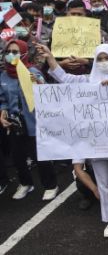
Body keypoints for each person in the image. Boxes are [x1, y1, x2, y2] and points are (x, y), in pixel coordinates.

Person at [43, 44, 108, 239]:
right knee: (104, 184)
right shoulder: (89, 81)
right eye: (100, 59)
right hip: (97, 142)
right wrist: (51, 58)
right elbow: (65, 79)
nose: (104, 63)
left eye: (107, 58)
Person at [0, 39, 58, 201]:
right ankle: (25, 183)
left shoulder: (32, 71)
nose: (11, 55)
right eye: (8, 52)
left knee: (39, 156)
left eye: (15, 51)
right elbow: (3, 99)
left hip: (33, 123)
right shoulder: (4, 76)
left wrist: (36, 80)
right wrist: (2, 112)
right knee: (18, 158)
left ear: (24, 53)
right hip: (14, 124)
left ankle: (50, 185)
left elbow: (44, 92)